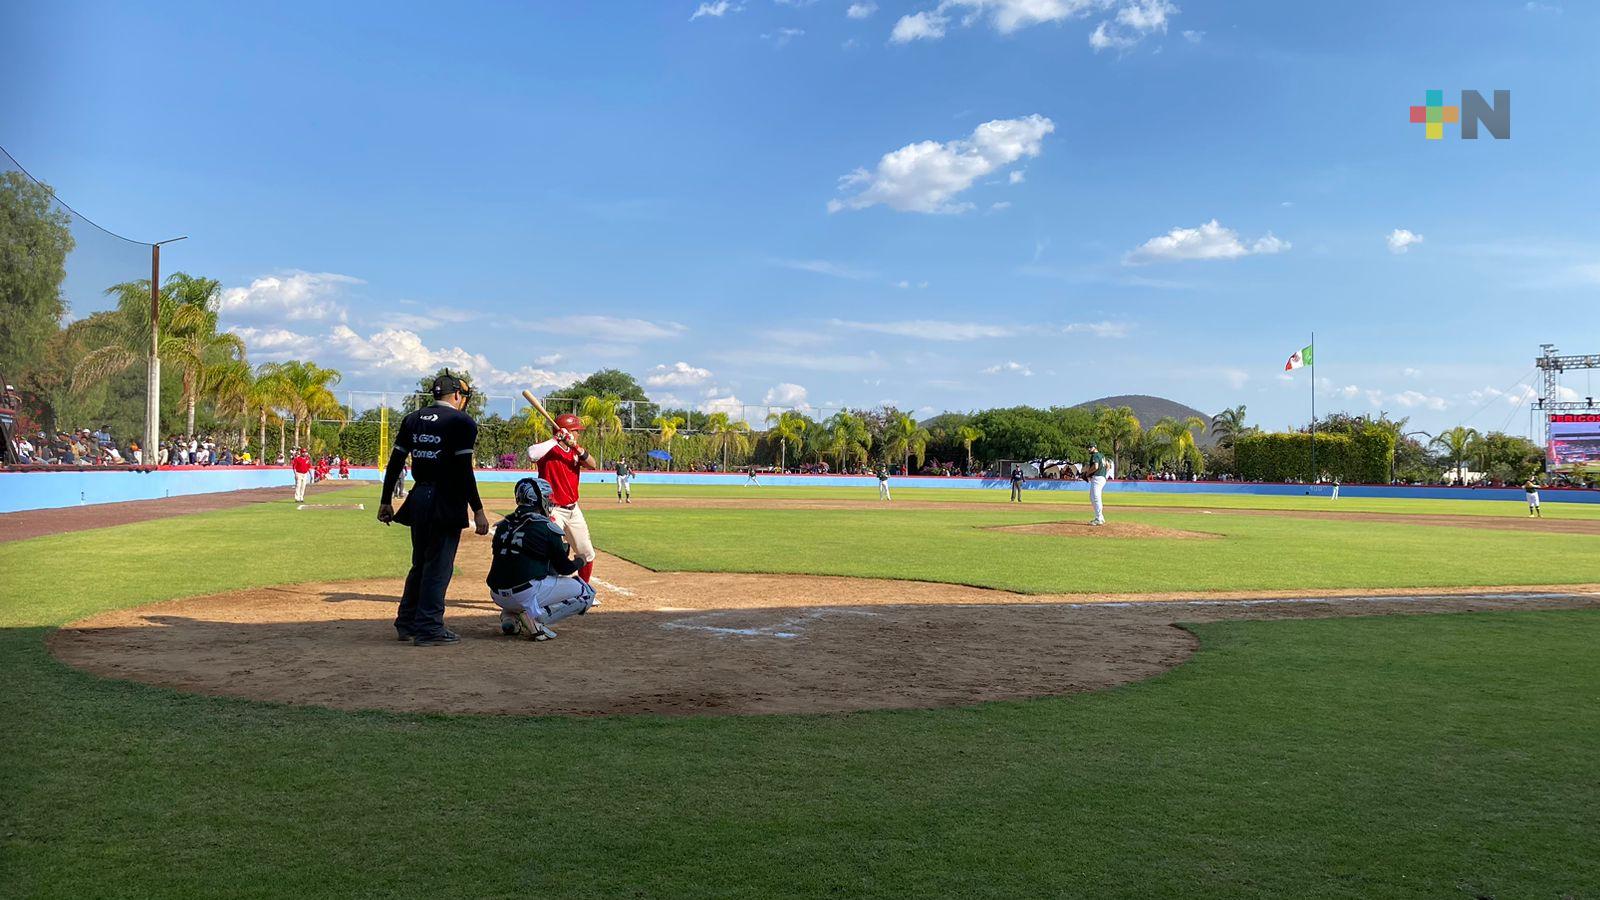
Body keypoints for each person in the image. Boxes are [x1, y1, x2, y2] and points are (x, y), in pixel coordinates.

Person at [377, 372, 490, 646]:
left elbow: (395, 463)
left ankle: (407, 622)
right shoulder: (462, 422)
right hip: (445, 498)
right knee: (439, 567)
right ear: (456, 396)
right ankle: (429, 627)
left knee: (420, 563)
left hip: (419, 497)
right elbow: (464, 471)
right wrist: (477, 509)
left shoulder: (412, 419)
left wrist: (386, 501)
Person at [487, 477, 596, 642]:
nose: (549, 501)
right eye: (547, 497)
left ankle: (510, 618)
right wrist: (580, 561)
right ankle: (536, 619)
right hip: (524, 593)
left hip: (496, 594)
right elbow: (564, 569)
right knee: (587, 592)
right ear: (537, 499)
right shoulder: (545, 526)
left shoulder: (503, 524)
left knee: (518, 582)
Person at [527, 413, 599, 585]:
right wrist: (555, 439)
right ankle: (541, 592)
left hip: (573, 509)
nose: (578, 434)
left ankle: (584, 591)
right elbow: (531, 454)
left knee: (586, 553)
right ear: (566, 431)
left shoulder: (575, 450)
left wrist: (576, 446)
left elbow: (593, 464)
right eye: (576, 431)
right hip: (552, 509)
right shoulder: (548, 449)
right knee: (549, 552)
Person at [1086, 442, 1109, 526]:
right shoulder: (1101, 455)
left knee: (1096, 498)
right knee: (1092, 497)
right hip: (1101, 478)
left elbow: (1095, 467)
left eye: (1090, 447)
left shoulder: (1095, 455)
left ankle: (1099, 518)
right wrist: (1104, 474)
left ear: (1094, 447)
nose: (1089, 449)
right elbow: (1108, 465)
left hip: (1097, 478)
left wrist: (1087, 473)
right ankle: (1100, 517)